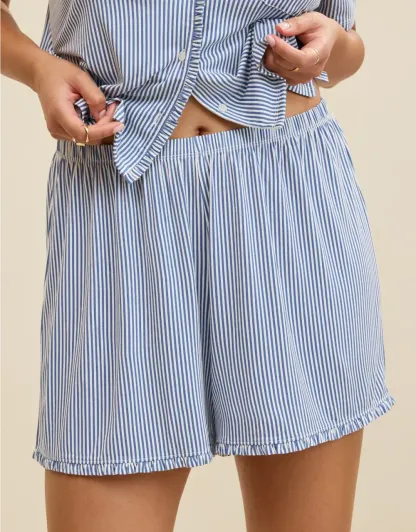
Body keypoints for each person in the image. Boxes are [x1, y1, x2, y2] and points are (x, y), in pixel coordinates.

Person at [1, 1, 394, 530]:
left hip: (284, 200)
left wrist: (332, 49)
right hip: (118, 202)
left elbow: (347, 46)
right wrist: (37, 67)